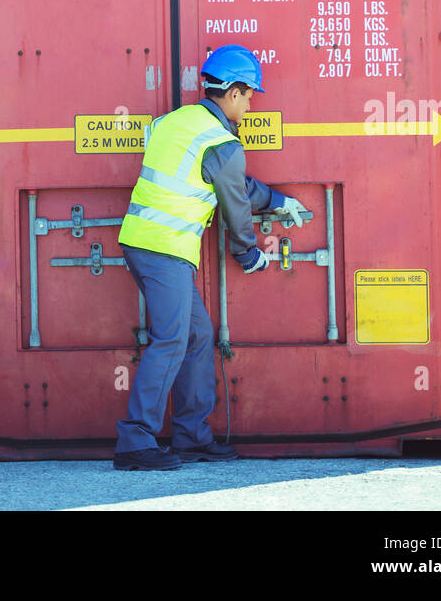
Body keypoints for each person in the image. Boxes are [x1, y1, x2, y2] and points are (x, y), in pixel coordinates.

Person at [113, 43, 306, 471]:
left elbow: (225, 181)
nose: (251, 104)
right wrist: (249, 253)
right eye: (250, 94)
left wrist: (275, 198)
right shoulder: (221, 141)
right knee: (170, 341)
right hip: (164, 248)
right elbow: (233, 204)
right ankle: (134, 442)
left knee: (197, 337)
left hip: (144, 242)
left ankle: (190, 437)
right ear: (233, 92)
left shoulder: (176, 122)